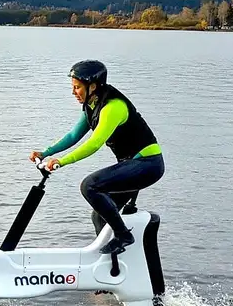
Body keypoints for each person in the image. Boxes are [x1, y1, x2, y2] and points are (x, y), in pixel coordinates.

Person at [28, 60, 165, 255]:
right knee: (100, 216)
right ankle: (112, 266)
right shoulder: (92, 105)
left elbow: (94, 143)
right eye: (72, 87)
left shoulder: (113, 107)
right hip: (132, 164)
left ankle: (124, 236)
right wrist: (46, 152)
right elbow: (73, 136)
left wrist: (62, 161)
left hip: (148, 165)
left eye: (77, 87)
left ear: (92, 86)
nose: (73, 92)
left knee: (89, 186)